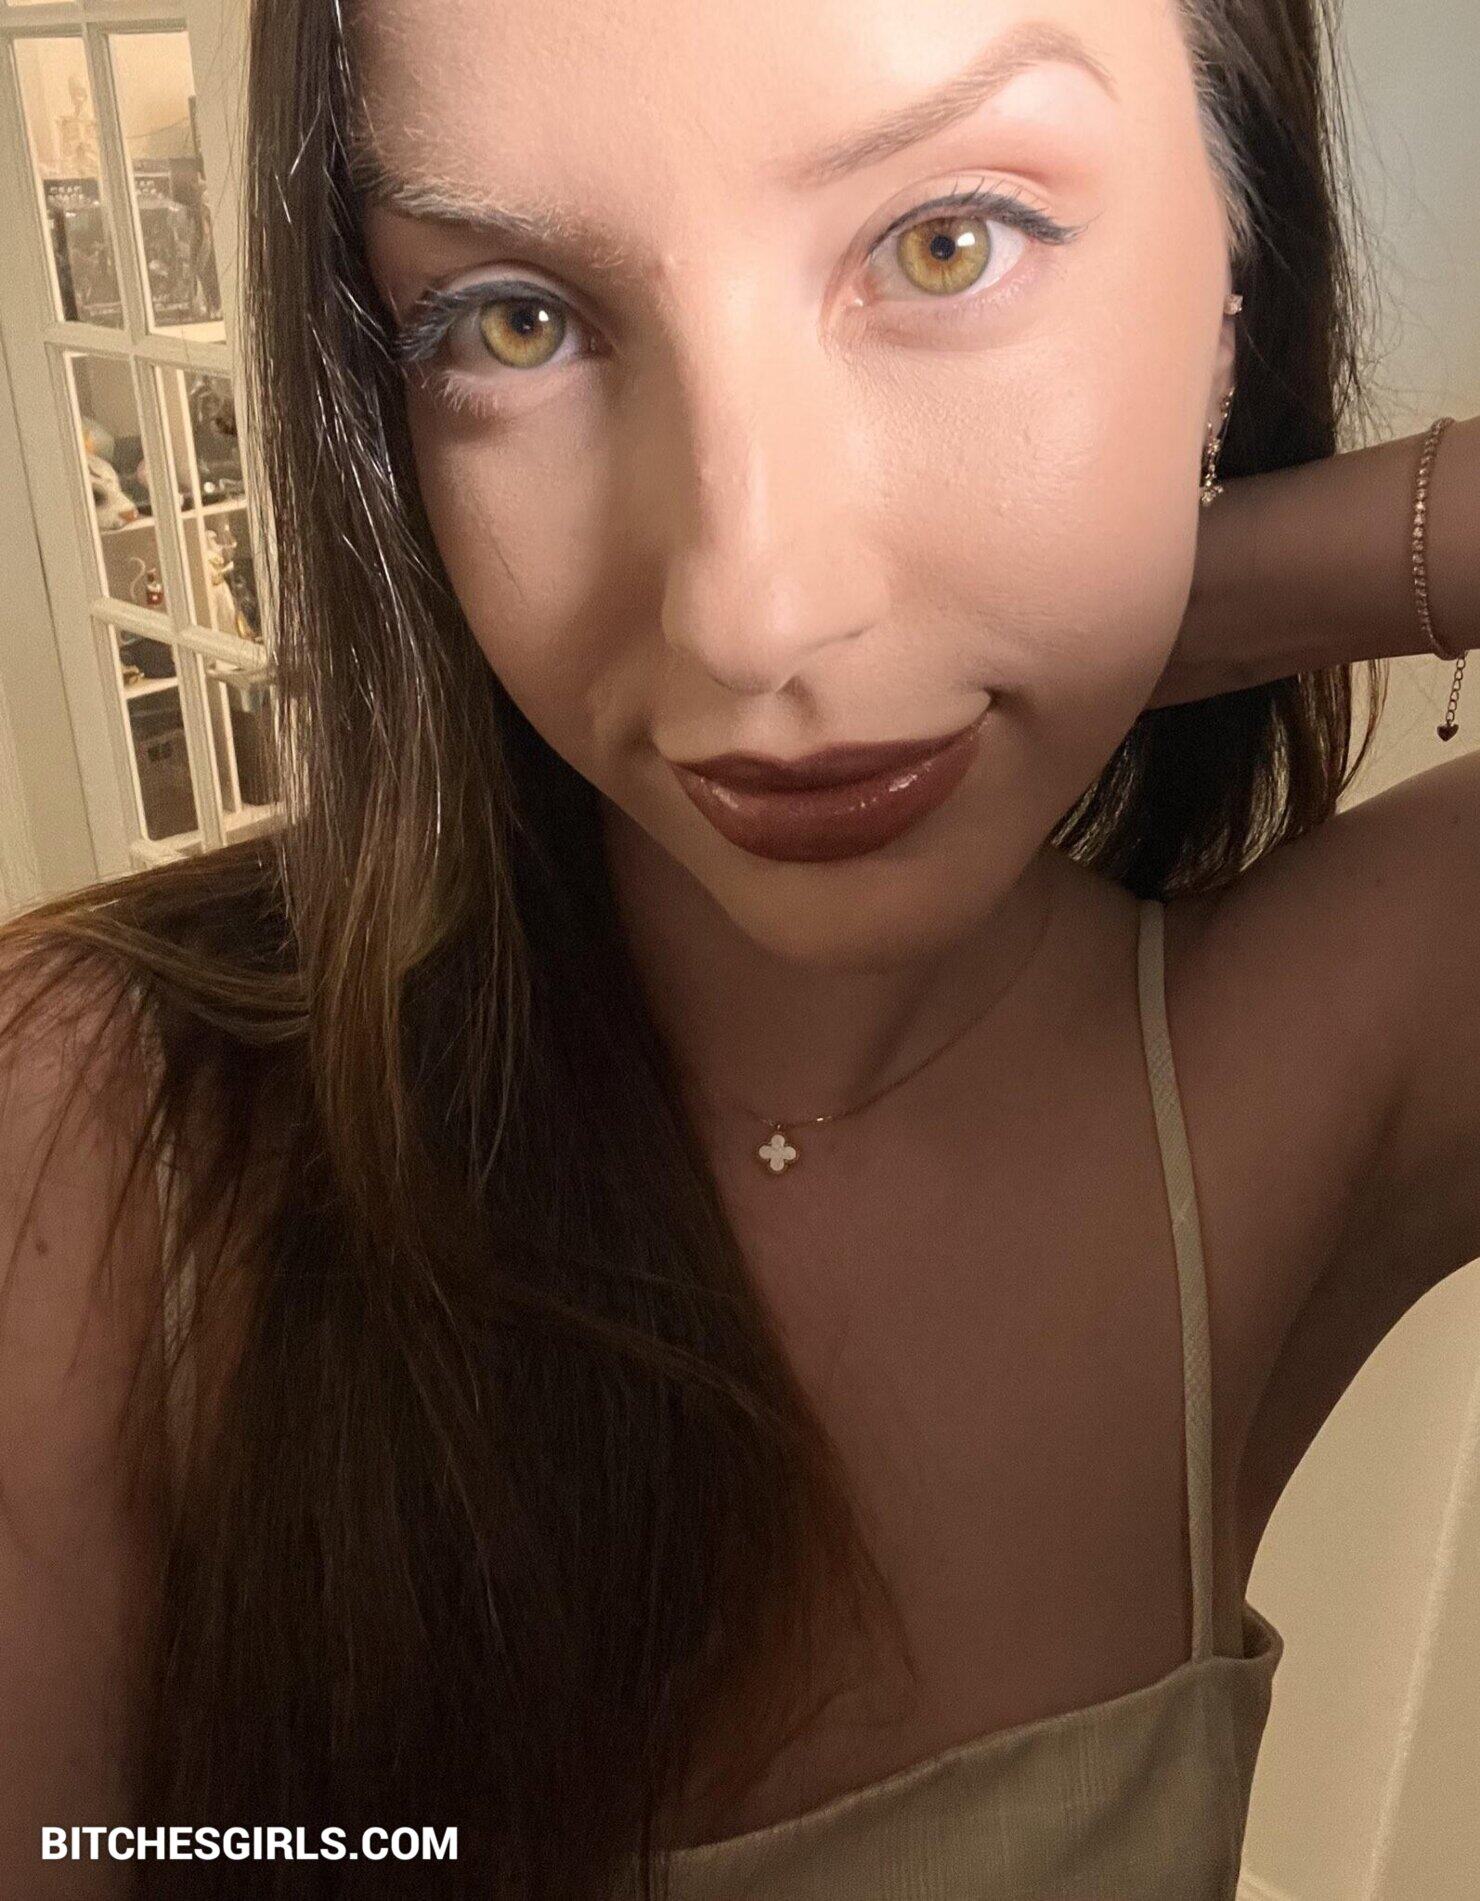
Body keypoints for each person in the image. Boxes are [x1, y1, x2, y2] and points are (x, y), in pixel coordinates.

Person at [1, 1, 1475, 1896]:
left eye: (947, 241)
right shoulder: (89, 1145)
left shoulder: (1327, 1060)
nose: (747, 613)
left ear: (1235, 292)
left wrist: (1200, 586)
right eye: (512, 321)